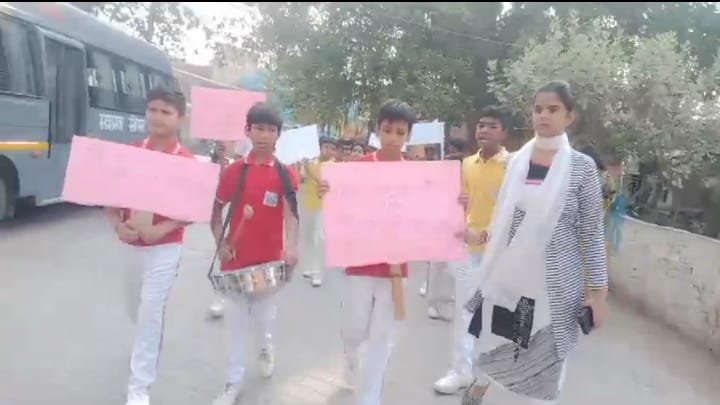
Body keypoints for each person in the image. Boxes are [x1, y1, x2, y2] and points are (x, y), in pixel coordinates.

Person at [462, 81, 609, 404]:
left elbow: (592, 235)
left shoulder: (581, 168)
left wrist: (598, 294)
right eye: (538, 109)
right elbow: (503, 217)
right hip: (508, 278)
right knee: (495, 344)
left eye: (553, 109)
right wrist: (476, 231)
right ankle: (478, 387)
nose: (543, 115)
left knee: (545, 363)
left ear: (570, 116)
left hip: (554, 287)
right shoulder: (515, 162)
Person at [319, 99, 417, 405]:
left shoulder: (417, 174)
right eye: (387, 130)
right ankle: (350, 355)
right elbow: (340, 209)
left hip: (396, 268)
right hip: (360, 264)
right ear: (377, 130)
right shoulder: (358, 168)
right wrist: (329, 194)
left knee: (382, 335)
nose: (393, 138)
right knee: (355, 328)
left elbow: (428, 215)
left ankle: (370, 396)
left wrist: (455, 202)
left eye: (400, 132)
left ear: (408, 135)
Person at [104, 88, 193, 405]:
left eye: (166, 112)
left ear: (180, 118)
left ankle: (139, 387)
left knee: (149, 313)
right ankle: (149, 342)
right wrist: (118, 225)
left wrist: (161, 230)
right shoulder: (131, 153)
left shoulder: (186, 162)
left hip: (164, 249)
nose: (157, 117)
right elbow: (109, 198)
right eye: (153, 110)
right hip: (130, 245)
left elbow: (191, 210)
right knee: (135, 308)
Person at [210, 102, 299, 405]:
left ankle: (265, 348)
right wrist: (220, 244)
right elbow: (216, 211)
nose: (264, 135)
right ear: (247, 131)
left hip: (268, 265)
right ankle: (232, 382)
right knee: (235, 325)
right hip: (235, 263)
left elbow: (292, 215)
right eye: (259, 128)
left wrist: (292, 247)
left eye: (271, 130)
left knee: (262, 320)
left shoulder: (286, 175)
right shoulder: (235, 172)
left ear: (278, 135)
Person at [433, 106, 511, 395]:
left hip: (501, 254)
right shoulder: (467, 164)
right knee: (464, 311)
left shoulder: (513, 167)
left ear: (504, 133)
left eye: (491, 126)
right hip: (468, 249)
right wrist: (460, 219)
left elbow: (514, 211)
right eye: (480, 125)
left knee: (493, 317)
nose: (483, 130)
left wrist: (487, 234)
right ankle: (460, 371)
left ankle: (488, 373)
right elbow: (459, 204)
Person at [298, 136, 337, 287]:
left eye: (332, 148)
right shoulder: (311, 162)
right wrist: (301, 168)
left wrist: (308, 169)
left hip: (324, 206)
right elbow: (301, 179)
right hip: (308, 204)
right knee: (308, 237)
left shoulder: (333, 166)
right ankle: (309, 266)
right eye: (326, 147)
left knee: (319, 239)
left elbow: (323, 181)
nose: (329, 151)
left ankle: (317, 273)